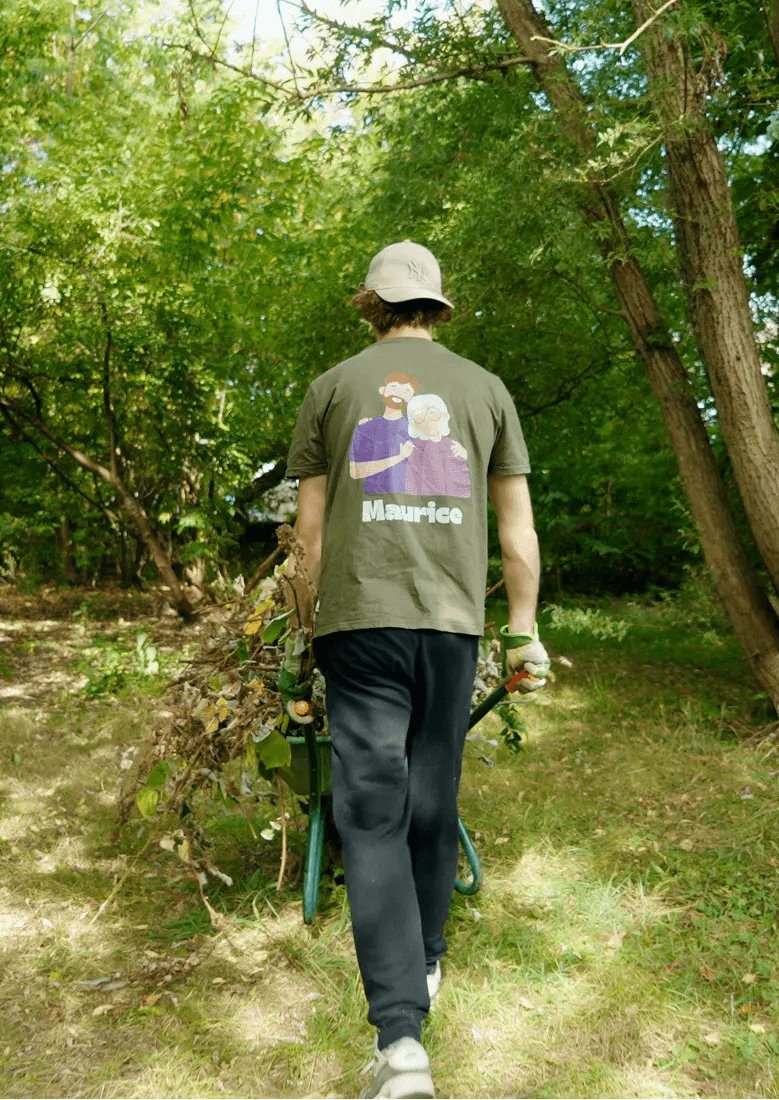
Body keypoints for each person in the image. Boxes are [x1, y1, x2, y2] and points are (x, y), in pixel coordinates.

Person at [284, 240, 549, 1100]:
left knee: (369, 815)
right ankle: (425, 965)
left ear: (371, 306)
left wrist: (298, 635)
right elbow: (517, 531)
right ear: (435, 308)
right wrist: (521, 633)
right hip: (449, 625)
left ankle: (400, 1043)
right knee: (433, 798)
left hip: (358, 623)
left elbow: (309, 540)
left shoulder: (330, 387)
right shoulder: (489, 390)